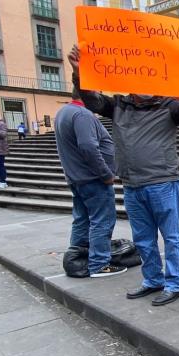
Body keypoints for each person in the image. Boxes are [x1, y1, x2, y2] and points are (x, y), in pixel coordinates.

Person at [68, 44, 179, 307]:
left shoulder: (171, 106)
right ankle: (152, 279)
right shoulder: (118, 104)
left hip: (162, 183)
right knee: (143, 239)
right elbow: (92, 100)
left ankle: (175, 283)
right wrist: (79, 72)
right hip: (132, 185)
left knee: (171, 237)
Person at [54, 91, 126, 278]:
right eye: (97, 96)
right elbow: (88, 147)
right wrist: (106, 174)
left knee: (82, 219)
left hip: (78, 177)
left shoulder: (64, 112)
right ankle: (100, 264)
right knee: (101, 220)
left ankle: (78, 259)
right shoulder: (82, 115)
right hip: (92, 179)